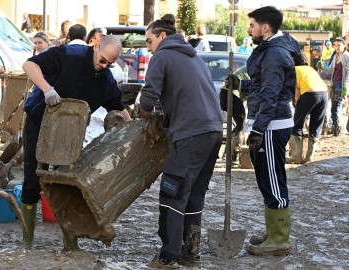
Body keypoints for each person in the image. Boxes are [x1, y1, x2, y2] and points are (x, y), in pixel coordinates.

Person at [20, 35, 131, 250]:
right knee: (32, 180)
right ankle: (27, 243)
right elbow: (29, 64)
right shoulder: (68, 55)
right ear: (96, 46)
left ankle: (70, 244)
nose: (104, 66)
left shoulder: (106, 81)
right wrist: (47, 89)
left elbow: (119, 107)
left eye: (109, 63)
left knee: (65, 185)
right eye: (102, 60)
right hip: (39, 122)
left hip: (70, 134)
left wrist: (136, 129)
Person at [140, 14, 223, 268]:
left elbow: (148, 98)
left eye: (149, 40)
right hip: (213, 131)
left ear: (162, 36)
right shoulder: (194, 57)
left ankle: (169, 257)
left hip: (190, 134)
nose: (148, 46)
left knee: (172, 192)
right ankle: (190, 253)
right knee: (194, 194)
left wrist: (144, 116)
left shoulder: (162, 56)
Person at [231, 6, 300, 256]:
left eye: (252, 25)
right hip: (267, 122)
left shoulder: (273, 54)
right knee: (265, 178)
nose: (249, 29)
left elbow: (271, 94)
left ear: (266, 27)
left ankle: (280, 239)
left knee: (272, 178)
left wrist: (258, 129)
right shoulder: (271, 50)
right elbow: (264, 85)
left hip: (272, 124)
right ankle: (273, 233)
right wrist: (242, 84)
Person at [286, 53, 328, 164]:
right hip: (324, 94)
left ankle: (297, 156)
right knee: (315, 125)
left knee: (297, 124)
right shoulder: (310, 69)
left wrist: (297, 105)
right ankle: (309, 156)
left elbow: (297, 92)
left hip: (309, 94)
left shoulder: (294, 70)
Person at [319, 38, 349, 136]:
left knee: (337, 107)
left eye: (339, 45)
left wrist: (346, 86)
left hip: (342, 84)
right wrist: (322, 67)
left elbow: (348, 73)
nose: (336, 47)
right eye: (335, 45)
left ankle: (338, 130)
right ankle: (336, 129)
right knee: (333, 108)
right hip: (334, 83)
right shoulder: (335, 56)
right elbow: (330, 70)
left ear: (344, 46)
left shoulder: (347, 56)